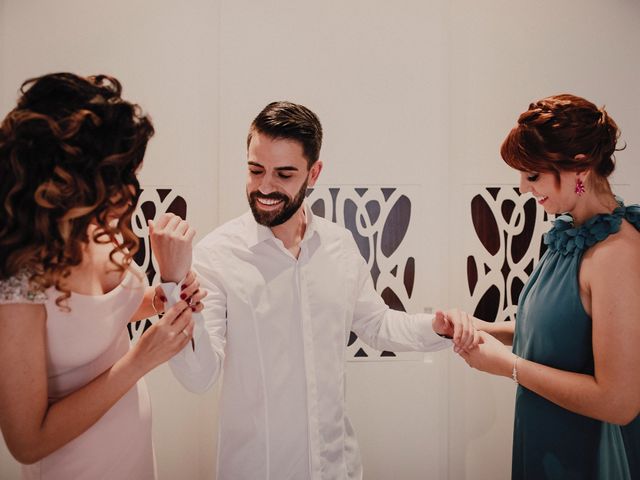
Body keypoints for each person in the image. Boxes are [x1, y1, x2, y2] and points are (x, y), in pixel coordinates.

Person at [168, 100, 478, 479]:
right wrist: (174, 288)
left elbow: (377, 324)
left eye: (284, 174)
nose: (265, 186)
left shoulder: (339, 245)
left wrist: (437, 326)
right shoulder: (215, 256)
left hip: (339, 468)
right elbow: (198, 376)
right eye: (255, 169)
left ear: (314, 173)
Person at [0, 73, 204, 480]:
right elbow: (26, 442)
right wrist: (139, 360)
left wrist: (156, 300)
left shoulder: (96, 228)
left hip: (135, 460)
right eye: (117, 175)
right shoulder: (18, 286)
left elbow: (90, 321)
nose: (130, 190)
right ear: (65, 177)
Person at [450, 94, 640, 479]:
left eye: (532, 175)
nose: (522, 187)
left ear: (580, 169)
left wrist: (510, 368)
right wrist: (482, 328)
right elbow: (565, 339)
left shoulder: (615, 254)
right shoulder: (570, 236)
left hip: (584, 455)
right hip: (547, 437)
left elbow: (619, 402)